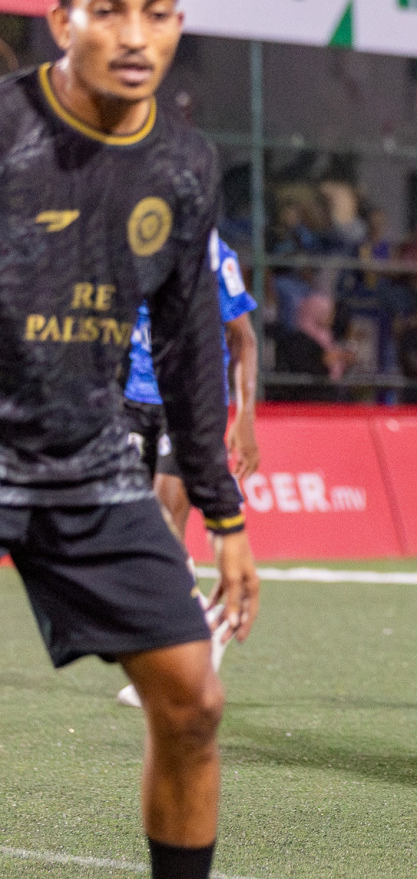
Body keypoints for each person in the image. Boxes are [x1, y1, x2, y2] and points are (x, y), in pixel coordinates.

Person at [0, 0, 259, 879]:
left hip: (88, 464)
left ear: (180, 23)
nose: (133, 33)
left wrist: (225, 518)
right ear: (62, 18)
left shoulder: (185, 165)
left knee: (193, 701)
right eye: (107, 9)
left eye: (156, 11)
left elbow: (194, 345)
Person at [118, 229, 261, 708]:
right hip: (133, 400)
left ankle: (186, 649)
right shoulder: (118, 233)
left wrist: (245, 420)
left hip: (188, 401)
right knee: (137, 530)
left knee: (163, 519)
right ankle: (200, 627)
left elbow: (243, 339)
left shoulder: (212, 251)